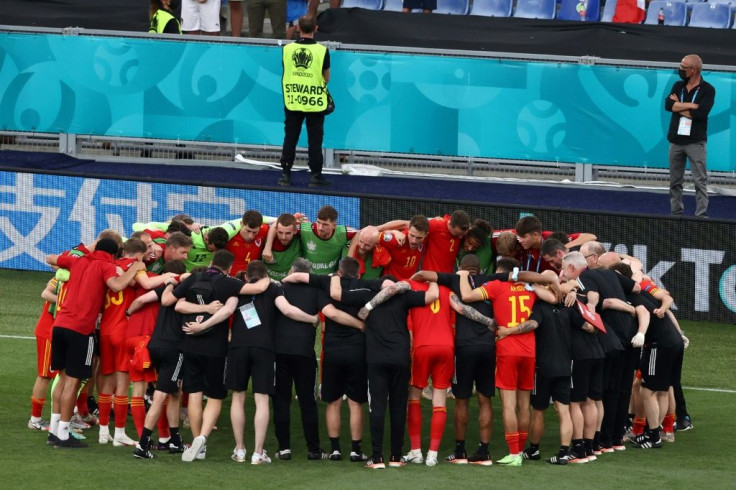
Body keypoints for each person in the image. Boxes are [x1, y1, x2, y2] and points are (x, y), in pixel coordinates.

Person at [47, 238, 146, 448]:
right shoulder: (106, 265)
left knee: (62, 378)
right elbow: (118, 285)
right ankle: (64, 434)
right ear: (113, 254)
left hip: (60, 325)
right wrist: (135, 267)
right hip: (81, 330)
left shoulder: (78, 261)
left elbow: (50, 258)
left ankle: (54, 430)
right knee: (73, 383)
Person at [279, 15, 331, 187]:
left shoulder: (287, 49)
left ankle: (286, 174)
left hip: (293, 100)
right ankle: (316, 175)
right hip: (314, 102)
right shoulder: (322, 50)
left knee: (291, 137)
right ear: (316, 29)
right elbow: (326, 78)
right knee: (315, 140)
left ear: (299, 29)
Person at [665, 54, 715, 218]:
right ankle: (676, 212)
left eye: (684, 67)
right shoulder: (678, 85)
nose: (680, 70)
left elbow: (701, 113)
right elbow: (668, 105)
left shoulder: (708, 89)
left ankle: (701, 215)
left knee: (699, 181)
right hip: (676, 140)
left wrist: (678, 106)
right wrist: (691, 105)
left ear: (694, 70)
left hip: (695, 141)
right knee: (675, 181)